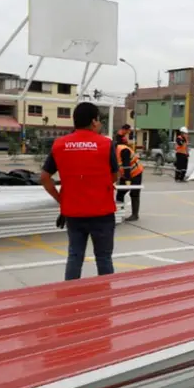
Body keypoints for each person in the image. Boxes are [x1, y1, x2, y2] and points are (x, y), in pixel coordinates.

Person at [41, 102, 119, 280]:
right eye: (98, 120)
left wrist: (62, 199)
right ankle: (106, 299)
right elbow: (115, 176)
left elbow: (44, 178)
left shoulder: (60, 145)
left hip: (74, 213)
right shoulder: (105, 144)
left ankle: (70, 297)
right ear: (93, 122)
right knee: (104, 258)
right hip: (102, 212)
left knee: (75, 257)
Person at [115, 132, 143, 222]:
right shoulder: (113, 152)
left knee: (134, 193)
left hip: (136, 172)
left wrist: (128, 181)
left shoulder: (124, 150)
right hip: (126, 174)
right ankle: (120, 214)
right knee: (120, 193)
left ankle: (135, 215)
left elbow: (127, 167)